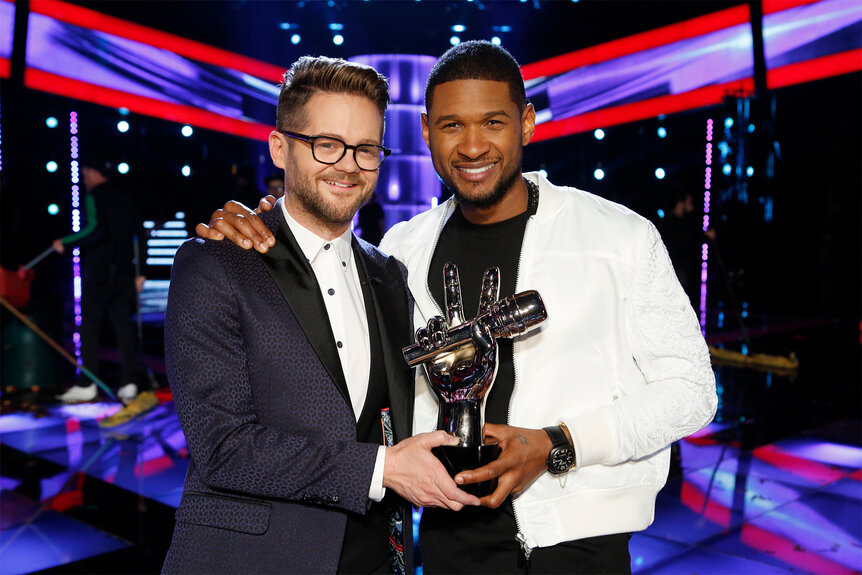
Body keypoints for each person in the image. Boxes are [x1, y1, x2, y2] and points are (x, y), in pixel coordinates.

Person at [200, 42, 717, 574]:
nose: (472, 146)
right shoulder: (402, 249)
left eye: (493, 122)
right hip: (448, 537)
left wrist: (557, 445)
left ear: (528, 123)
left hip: (578, 541)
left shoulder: (618, 237)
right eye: (451, 126)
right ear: (425, 131)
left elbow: (692, 393)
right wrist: (269, 221)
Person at [163, 56, 479, 575]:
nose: (349, 164)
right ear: (280, 148)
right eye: (326, 144)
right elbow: (222, 446)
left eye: (367, 149)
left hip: (376, 557)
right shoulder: (216, 262)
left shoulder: (390, 277)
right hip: (251, 560)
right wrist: (382, 468)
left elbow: (392, 415)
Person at [53, 153, 144, 405]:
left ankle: (87, 383)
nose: (84, 179)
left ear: (94, 173)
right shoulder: (127, 200)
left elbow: (95, 229)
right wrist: (141, 272)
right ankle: (129, 382)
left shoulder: (95, 197)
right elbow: (140, 235)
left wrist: (66, 242)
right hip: (124, 274)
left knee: (89, 327)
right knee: (123, 327)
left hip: (101, 275)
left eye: (85, 174)